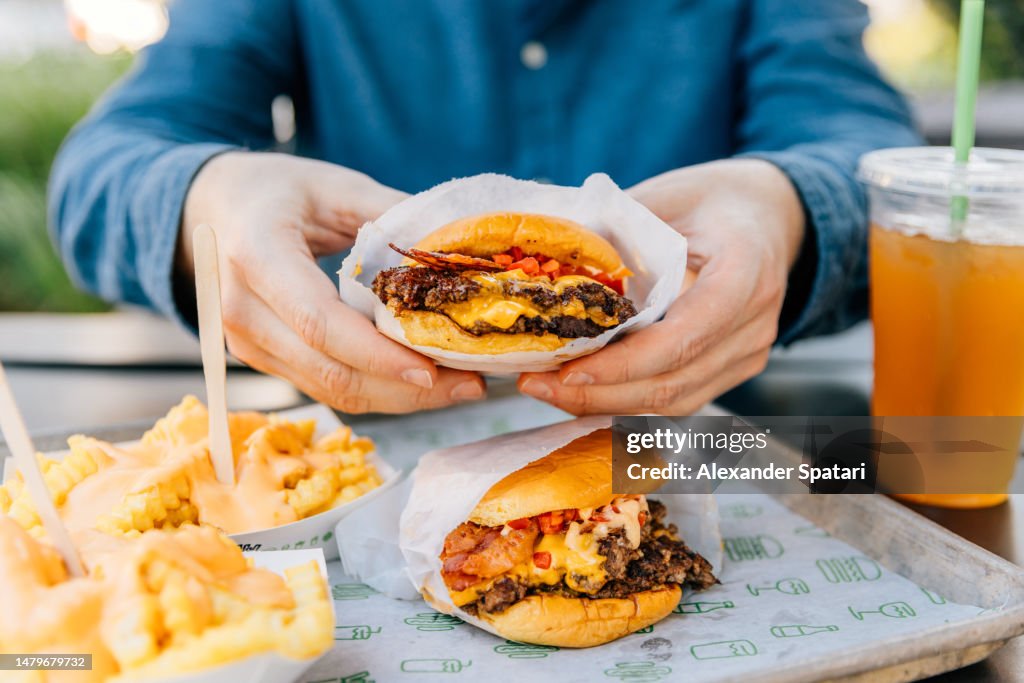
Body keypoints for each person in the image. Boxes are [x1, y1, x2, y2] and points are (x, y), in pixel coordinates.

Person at [49, 0, 920, 416]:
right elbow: (103, 168)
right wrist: (211, 200)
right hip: (359, 442)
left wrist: (787, 206)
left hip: (699, 442)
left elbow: (867, 148)